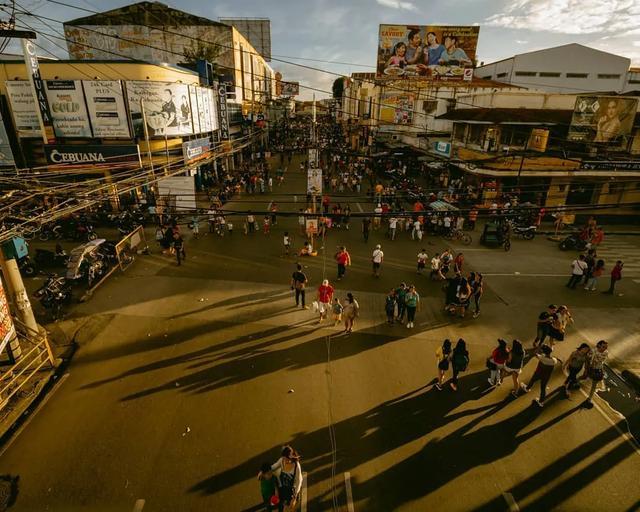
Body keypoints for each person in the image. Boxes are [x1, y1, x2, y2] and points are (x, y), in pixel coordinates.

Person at [269, 446, 302, 511]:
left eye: (287, 459)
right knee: (282, 509)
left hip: (292, 492)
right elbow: (273, 467)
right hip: (283, 490)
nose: (285, 461)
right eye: (284, 458)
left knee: (288, 509)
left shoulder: (296, 466)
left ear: (291, 457)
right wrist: (263, 470)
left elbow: (299, 481)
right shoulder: (282, 460)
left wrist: (294, 498)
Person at [582, 340, 608, 407]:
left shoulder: (605, 352)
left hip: (598, 370)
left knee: (594, 385)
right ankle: (574, 382)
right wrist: (586, 369)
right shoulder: (593, 351)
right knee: (584, 377)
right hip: (590, 369)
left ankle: (589, 398)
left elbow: (600, 361)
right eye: (603, 347)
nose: (604, 349)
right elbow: (587, 360)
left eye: (606, 347)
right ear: (599, 345)